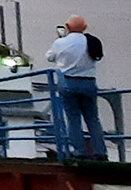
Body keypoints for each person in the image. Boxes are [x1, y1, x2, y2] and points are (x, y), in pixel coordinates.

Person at [46, 15, 107, 159]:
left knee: (73, 118)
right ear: (84, 27)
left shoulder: (60, 42)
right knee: (93, 119)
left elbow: (49, 57)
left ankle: (80, 152)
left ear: (67, 27)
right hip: (89, 82)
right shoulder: (91, 41)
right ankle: (101, 152)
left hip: (68, 82)